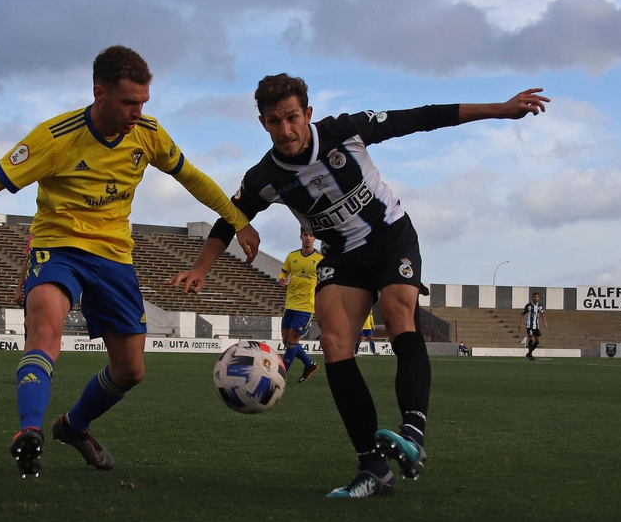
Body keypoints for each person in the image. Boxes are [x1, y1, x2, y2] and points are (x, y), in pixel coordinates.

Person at [0, 46, 258, 478]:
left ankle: (73, 426)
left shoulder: (148, 134)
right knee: (44, 334)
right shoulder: (54, 137)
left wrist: (237, 220)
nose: (138, 112)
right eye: (129, 102)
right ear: (99, 92)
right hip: (57, 248)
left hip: (114, 257)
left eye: (144, 102)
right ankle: (28, 433)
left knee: (131, 371)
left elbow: (192, 178)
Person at [172, 73, 548, 498]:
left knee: (396, 312)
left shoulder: (345, 131)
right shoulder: (265, 175)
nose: (286, 129)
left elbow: (424, 117)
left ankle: (412, 433)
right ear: (263, 123)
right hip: (343, 257)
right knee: (334, 344)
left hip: (390, 237)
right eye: (275, 121)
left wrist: (500, 108)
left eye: (292, 117)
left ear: (307, 114)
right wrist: (202, 267)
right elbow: (230, 218)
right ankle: (373, 468)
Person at [278, 230, 321, 382]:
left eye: (311, 235)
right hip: (290, 304)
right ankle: (309, 364)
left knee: (292, 342)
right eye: (305, 235)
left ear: (315, 238)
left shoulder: (320, 259)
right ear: (301, 236)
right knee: (286, 341)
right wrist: (282, 279)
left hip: (306, 306)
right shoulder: (292, 256)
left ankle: (280, 376)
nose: (308, 238)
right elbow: (283, 273)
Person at [522, 292, 546, 360]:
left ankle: (529, 353)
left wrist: (545, 322)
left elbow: (542, 314)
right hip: (529, 325)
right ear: (532, 298)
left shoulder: (540, 306)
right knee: (531, 338)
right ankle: (530, 355)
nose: (535, 298)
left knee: (537, 341)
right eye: (534, 297)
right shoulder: (528, 306)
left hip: (536, 325)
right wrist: (521, 323)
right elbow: (522, 314)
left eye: (537, 297)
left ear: (539, 298)